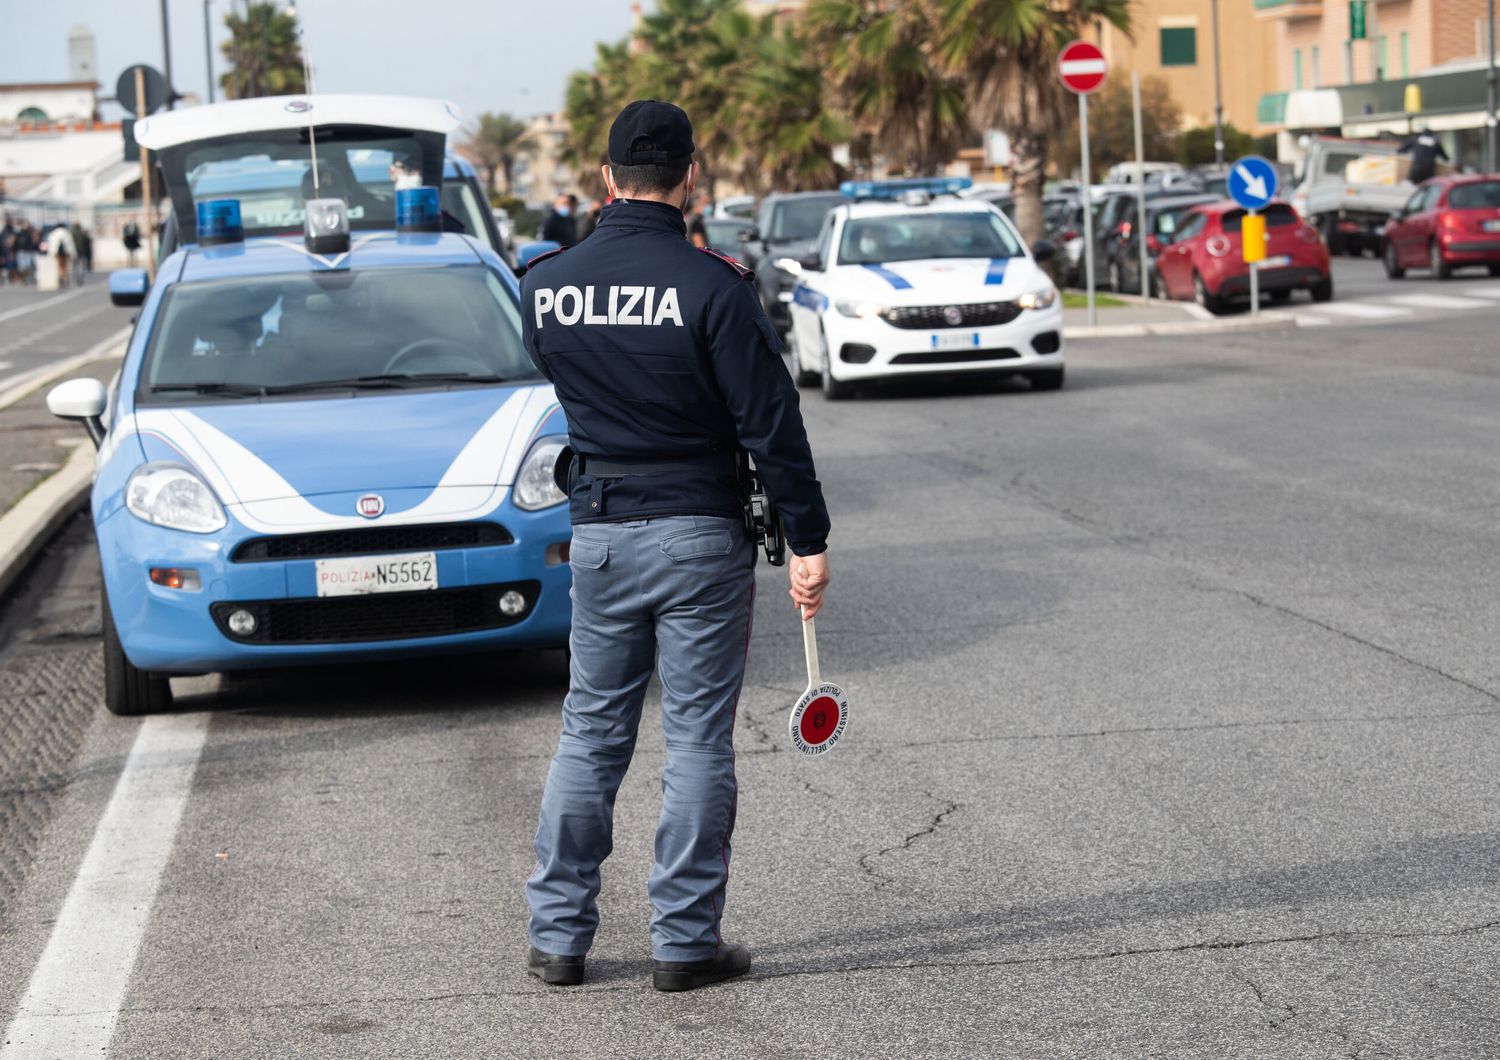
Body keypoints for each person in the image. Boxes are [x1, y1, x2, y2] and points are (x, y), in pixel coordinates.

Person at [520, 99, 830, 993]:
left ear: (605, 179)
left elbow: (558, 372)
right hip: (700, 534)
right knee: (697, 740)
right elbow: (774, 427)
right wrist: (807, 541)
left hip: (603, 535)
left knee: (590, 734)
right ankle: (685, 943)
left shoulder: (546, 285)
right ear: (690, 178)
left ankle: (559, 938)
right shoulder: (716, 287)